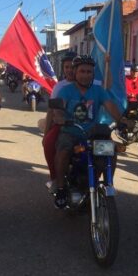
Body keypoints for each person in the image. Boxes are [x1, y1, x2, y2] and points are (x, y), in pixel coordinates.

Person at [53, 55, 131, 208]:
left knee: (111, 150)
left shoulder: (99, 91)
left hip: (92, 134)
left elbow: (111, 107)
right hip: (71, 132)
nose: (85, 75)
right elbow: (57, 109)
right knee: (63, 150)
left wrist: (122, 121)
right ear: (75, 72)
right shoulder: (66, 90)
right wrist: (60, 117)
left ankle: (108, 184)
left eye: (89, 72)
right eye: (82, 71)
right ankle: (61, 188)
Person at [42, 51, 77, 188]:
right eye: (66, 67)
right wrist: (46, 133)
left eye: (72, 67)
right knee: (49, 143)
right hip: (64, 124)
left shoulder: (90, 84)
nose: (69, 70)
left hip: (86, 124)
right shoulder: (59, 87)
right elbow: (51, 110)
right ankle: (55, 178)